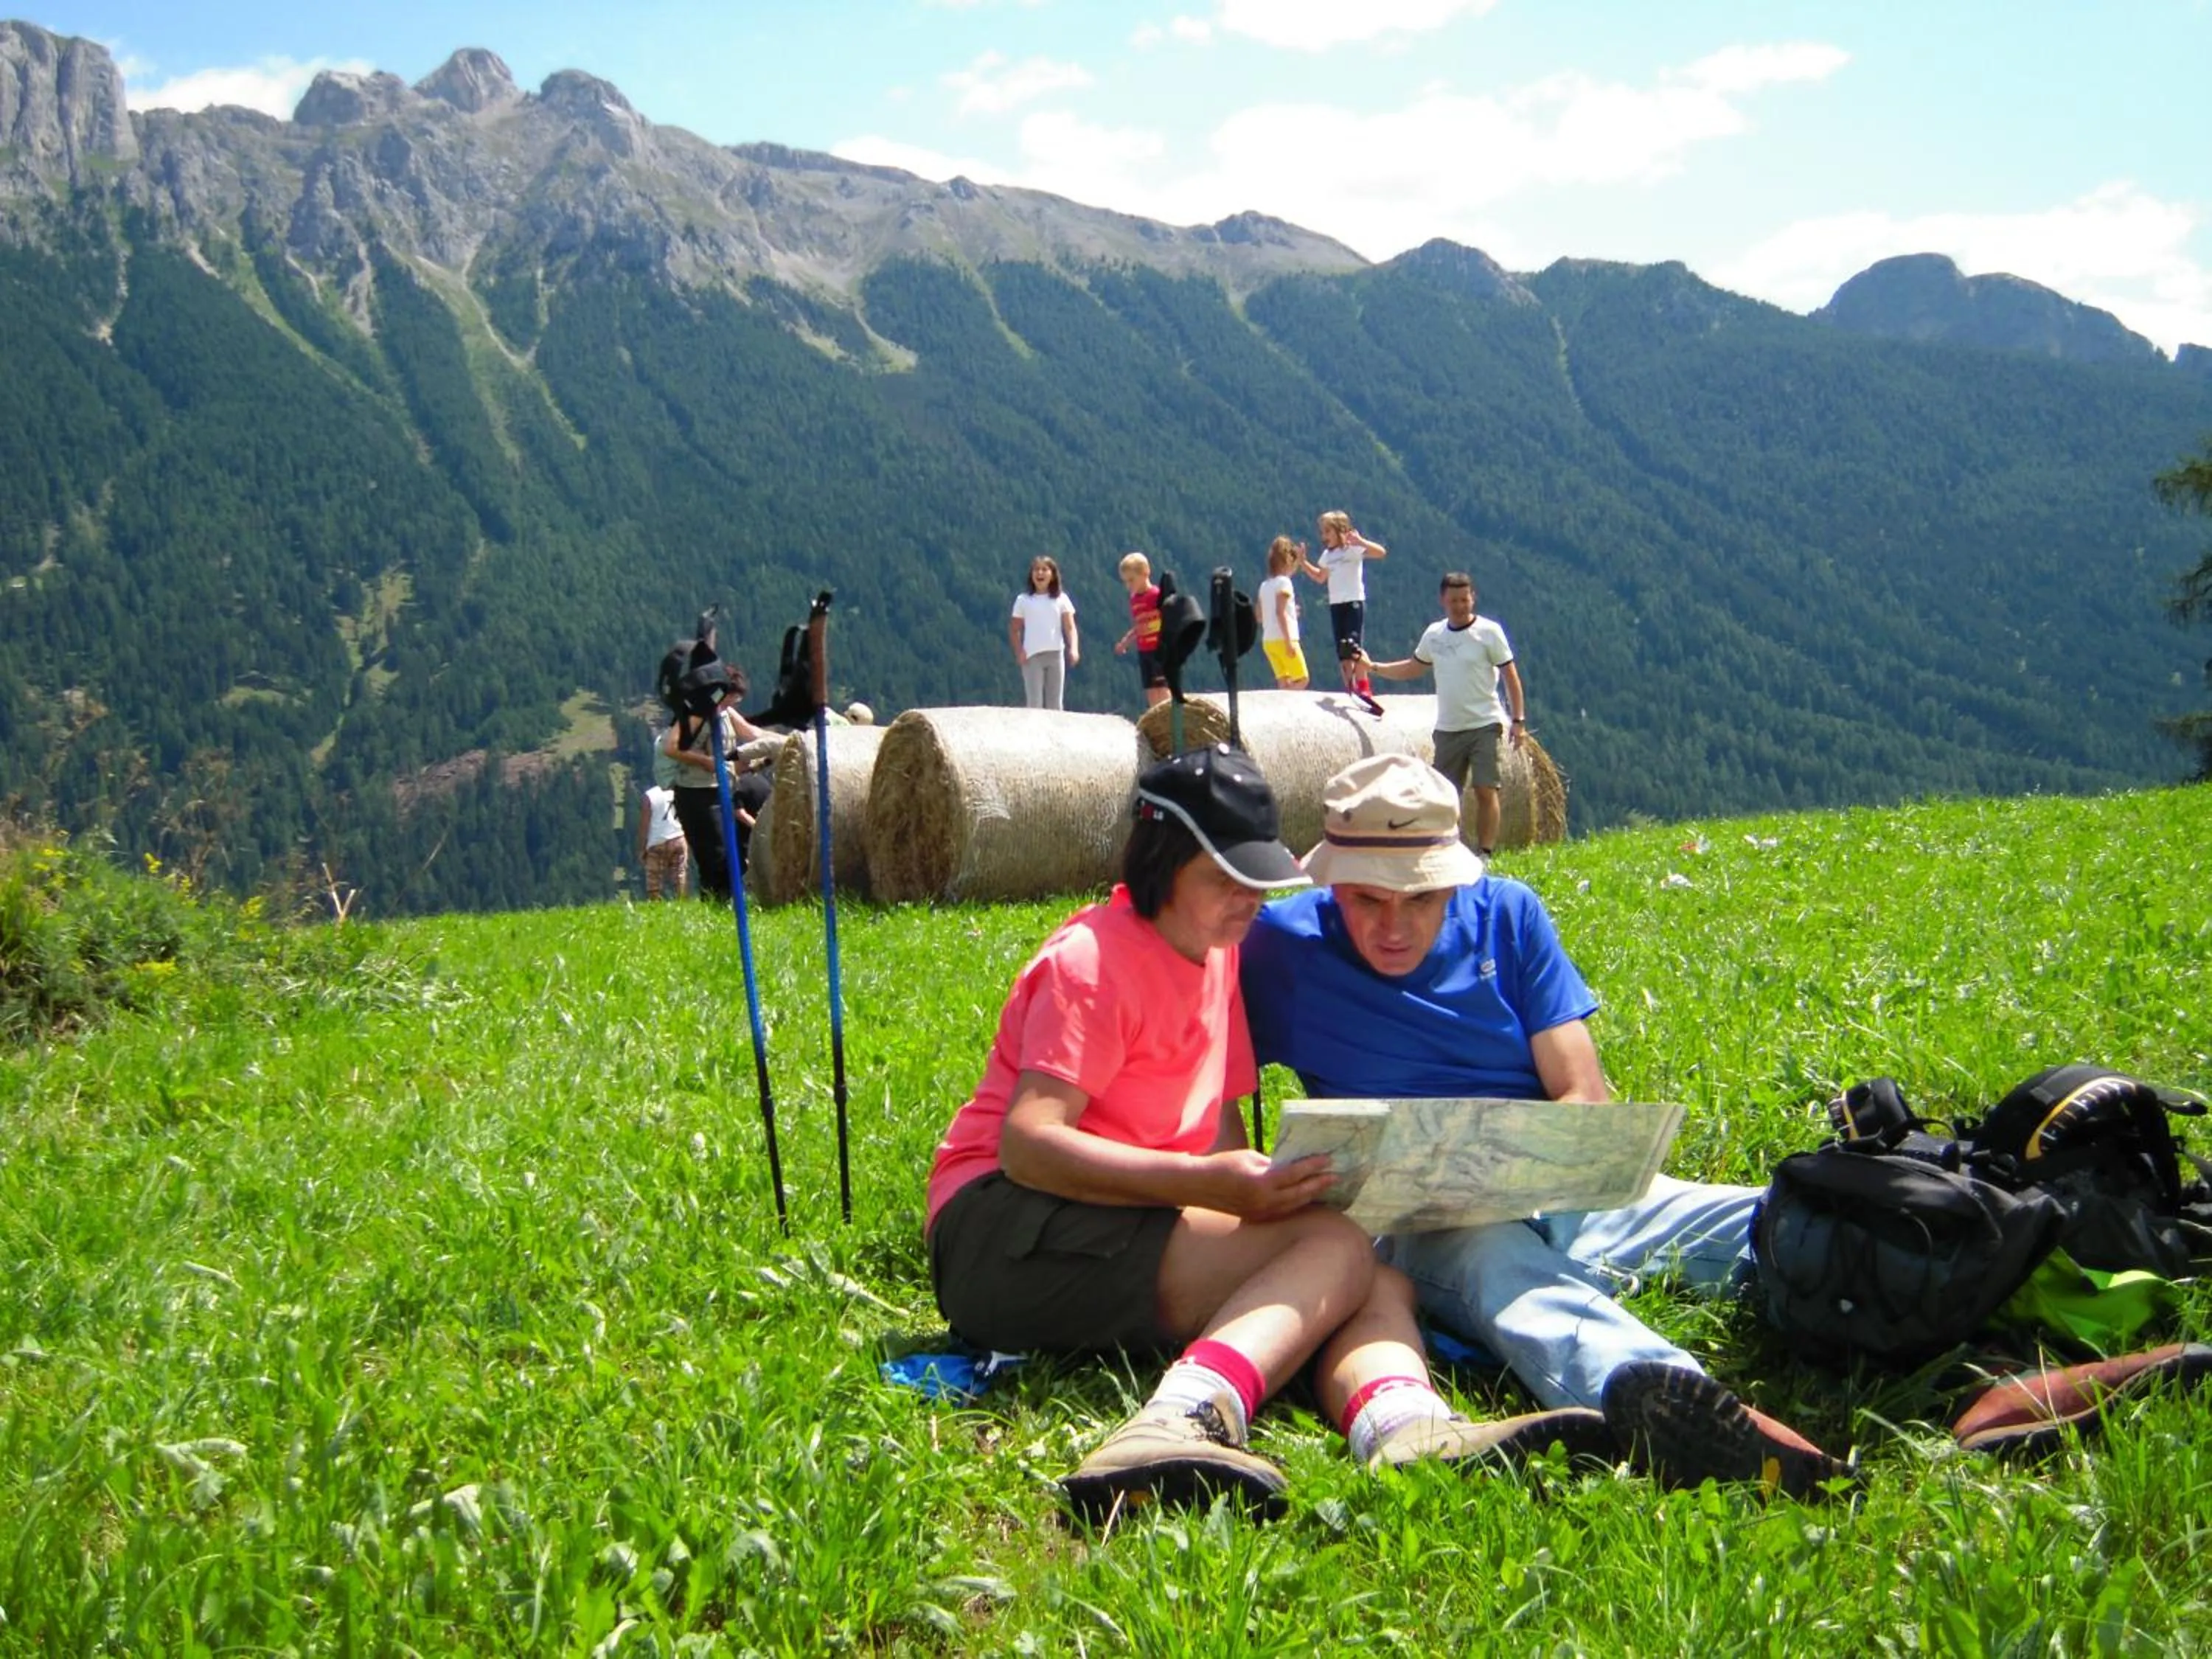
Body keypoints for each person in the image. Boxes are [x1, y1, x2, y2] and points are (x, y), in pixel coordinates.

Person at [925, 747, 1613, 1520]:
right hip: (1000, 1230)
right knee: (1334, 1249)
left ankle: (1404, 1423)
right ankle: (1177, 1420)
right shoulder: (1093, 961)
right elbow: (1028, 1145)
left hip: (1112, 1224)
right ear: (1162, 865)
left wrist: (1254, 1194)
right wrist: (1211, 1188)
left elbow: (1217, 1132)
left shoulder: (1219, 960)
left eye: (1258, 882)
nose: (1249, 903)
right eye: (1226, 881)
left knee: (1370, 1273)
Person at [1240, 753, 1851, 1498]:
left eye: (1423, 899)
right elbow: (1190, 1043)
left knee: (1762, 1216)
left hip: (1559, 1184)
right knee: (1505, 1274)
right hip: (1426, 1221)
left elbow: (1579, 1091)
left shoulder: (1509, 914)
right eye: (1367, 900)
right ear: (1330, 879)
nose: (1394, 926)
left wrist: (1541, 1166)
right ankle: (1701, 1416)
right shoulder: (1281, 948)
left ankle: (1941, 1266)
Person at [1360, 572, 1526, 859]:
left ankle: (1485, 854)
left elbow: (1511, 676)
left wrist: (1519, 721)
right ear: (1443, 601)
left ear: (1473, 597)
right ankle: (1448, 851)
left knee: (1486, 788)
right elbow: (1413, 667)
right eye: (1454, 601)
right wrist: (1373, 667)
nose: (1460, 606)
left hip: (1485, 723)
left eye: (1465, 599)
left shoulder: (1489, 632)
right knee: (1444, 795)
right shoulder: (1434, 635)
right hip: (1448, 728)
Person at [661, 672, 769, 902]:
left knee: (734, 856)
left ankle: (725, 907)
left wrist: (791, 741)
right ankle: (715, 909)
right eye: (733, 698)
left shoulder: (726, 714)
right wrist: (706, 762)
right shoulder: (698, 714)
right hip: (696, 794)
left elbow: (755, 734)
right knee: (716, 858)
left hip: (720, 791)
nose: (734, 703)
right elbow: (671, 747)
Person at [1303, 511, 1386, 716]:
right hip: (1336, 605)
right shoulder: (1327, 556)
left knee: (1353, 646)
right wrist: (1303, 563)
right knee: (1342, 650)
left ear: (1341, 530)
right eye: (1322, 532)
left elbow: (1381, 553)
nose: (1324, 536)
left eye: (1327, 531)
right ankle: (1351, 689)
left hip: (1353, 602)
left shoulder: (1353, 549)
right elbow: (1320, 577)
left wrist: (1361, 541)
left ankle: (1364, 686)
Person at [1011, 556, 1079, 710]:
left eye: (1044, 569)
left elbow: (1070, 627)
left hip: (1055, 655)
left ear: (1053, 575)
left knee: (1055, 704)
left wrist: (1073, 648)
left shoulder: (1062, 599)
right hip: (1032, 656)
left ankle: (1055, 734)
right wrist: (1019, 651)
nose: (1040, 573)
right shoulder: (1023, 600)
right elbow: (1015, 629)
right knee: (1034, 703)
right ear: (1031, 575)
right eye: (1036, 570)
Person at [1112, 551, 1169, 709]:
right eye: (1125, 582)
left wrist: (1151, 627)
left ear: (1145, 573)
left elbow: (1166, 620)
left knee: (1162, 687)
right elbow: (1138, 626)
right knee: (1151, 689)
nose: (1128, 585)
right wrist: (1125, 642)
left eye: (1131, 580)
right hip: (1144, 650)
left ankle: (1170, 719)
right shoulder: (1134, 600)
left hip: (1159, 648)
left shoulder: (1156, 595)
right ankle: (1156, 720)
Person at [1257, 536, 1310, 691]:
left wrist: (1292, 611)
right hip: (1284, 639)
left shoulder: (1265, 585)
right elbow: (1280, 613)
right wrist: (1288, 642)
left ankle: (1284, 702)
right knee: (1302, 679)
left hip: (1268, 641)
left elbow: (1260, 616)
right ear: (1288, 562)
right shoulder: (1284, 583)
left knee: (1283, 681)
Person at [636, 778, 687, 900]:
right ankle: (681, 902)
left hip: (657, 841)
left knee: (654, 878)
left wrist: (641, 848)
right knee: (679, 874)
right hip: (678, 836)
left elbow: (645, 824)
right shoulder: (678, 792)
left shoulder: (649, 796)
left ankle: (655, 903)